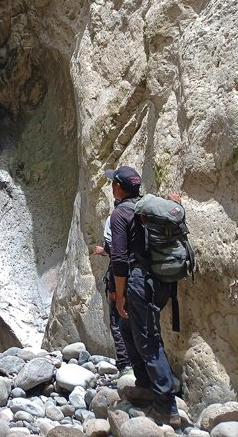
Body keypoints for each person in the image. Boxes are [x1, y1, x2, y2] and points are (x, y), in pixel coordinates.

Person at [106, 165, 181, 429]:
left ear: (117, 187)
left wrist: (120, 294)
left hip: (139, 282)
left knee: (148, 340)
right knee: (129, 329)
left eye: (111, 184)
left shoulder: (120, 214)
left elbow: (119, 259)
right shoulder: (147, 210)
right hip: (160, 282)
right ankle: (146, 386)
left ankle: (166, 407)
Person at [93, 215, 131, 374]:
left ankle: (125, 365)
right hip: (141, 277)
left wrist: (103, 250)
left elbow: (115, 248)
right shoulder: (142, 213)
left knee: (117, 320)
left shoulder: (116, 218)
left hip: (120, 277)